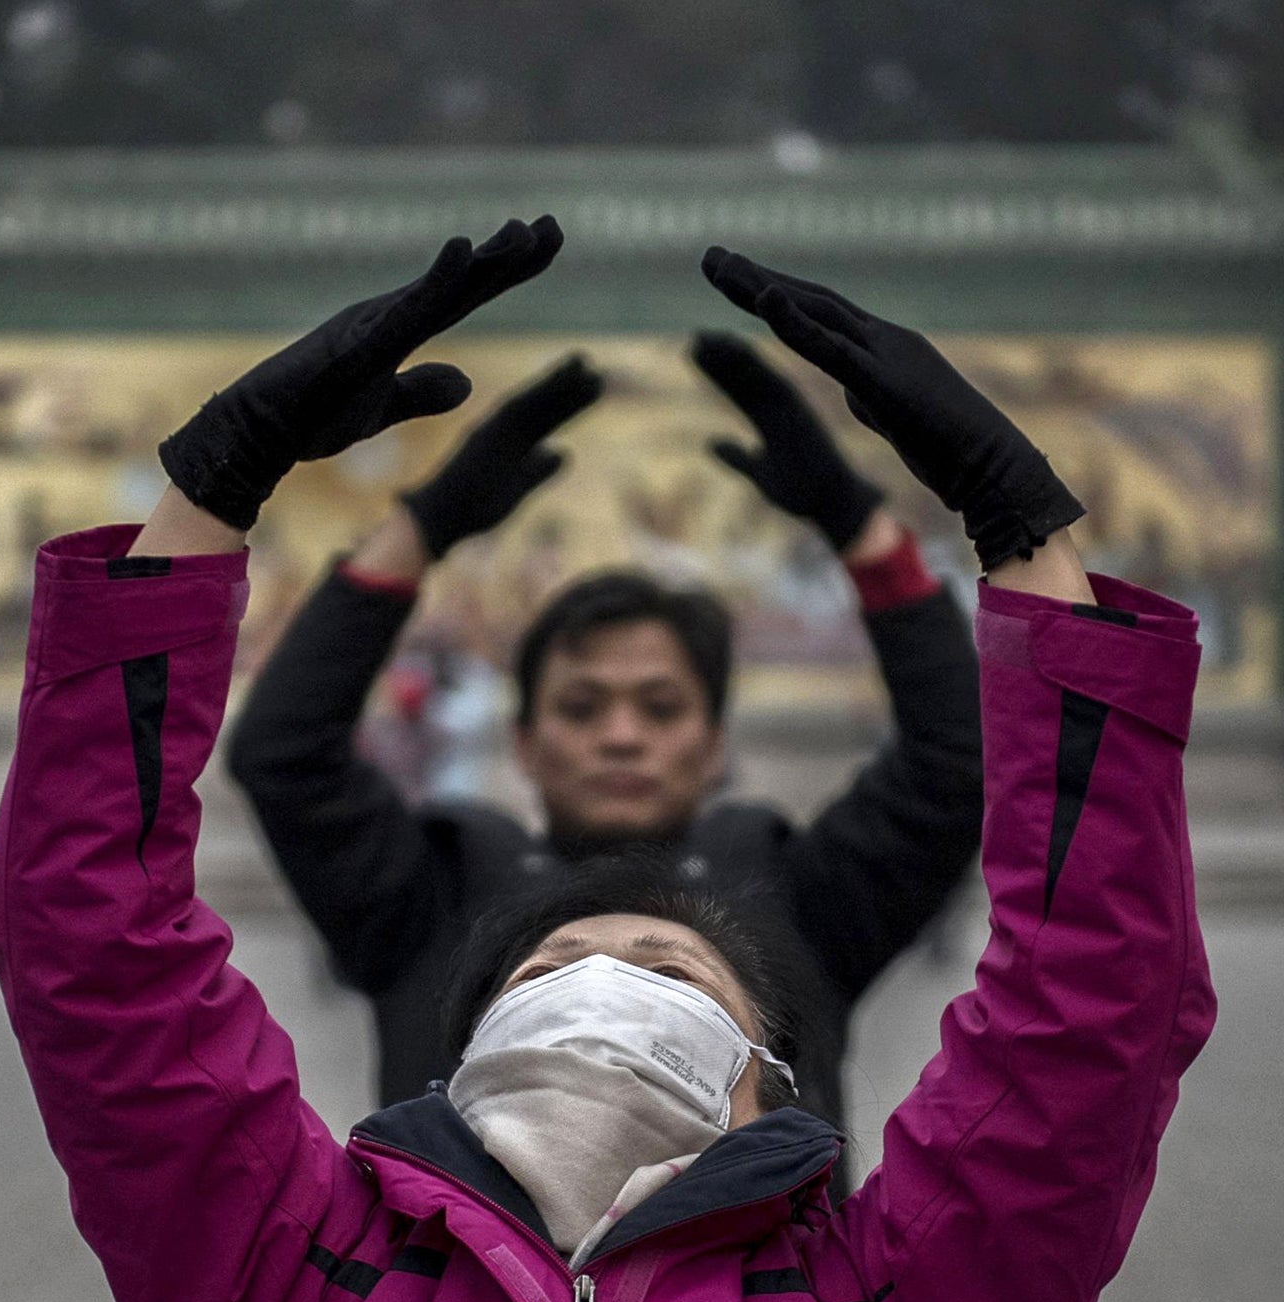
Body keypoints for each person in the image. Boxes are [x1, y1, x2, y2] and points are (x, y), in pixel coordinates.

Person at [0, 219, 1216, 1302]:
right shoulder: (308, 1297)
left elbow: (1088, 1020)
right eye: (553, 967)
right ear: (456, 1053)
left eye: (674, 969)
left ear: (772, 1077)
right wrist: (213, 496)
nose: (609, 977)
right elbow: (95, 956)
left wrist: (1008, 530)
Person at [227, 328, 984, 1161]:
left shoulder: (798, 900)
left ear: (712, 743)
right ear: (524, 741)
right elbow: (284, 753)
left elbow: (956, 760)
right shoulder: (427, 898)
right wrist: (422, 527)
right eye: (581, 708)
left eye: (660, 709)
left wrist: (860, 529)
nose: (621, 737)